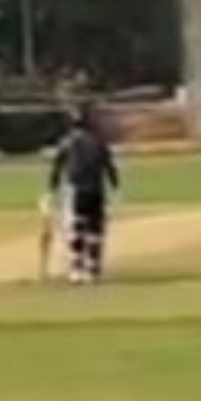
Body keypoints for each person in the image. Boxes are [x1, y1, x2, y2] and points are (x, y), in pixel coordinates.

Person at [47, 105, 121, 285]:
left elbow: (57, 168)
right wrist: (115, 187)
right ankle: (93, 269)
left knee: (77, 229)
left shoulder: (67, 142)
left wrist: (51, 190)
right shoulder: (99, 142)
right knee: (95, 229)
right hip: (97, 190)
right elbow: (110, 167)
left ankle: (77, 269)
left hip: (77, 191)